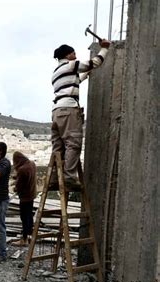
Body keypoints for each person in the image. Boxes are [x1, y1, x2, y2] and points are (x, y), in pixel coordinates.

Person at [51, 39, 111, 188]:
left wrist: (85, 75)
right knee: (74, 143)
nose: (76, 55)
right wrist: (104, 49)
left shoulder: (57, 72)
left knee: (58, 147)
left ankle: (54, 178)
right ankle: (69, 178)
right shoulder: (70, 65)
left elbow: (72, 83)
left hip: (57, 111)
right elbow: (94, 63)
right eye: (73, 53)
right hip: (69, 109)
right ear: (67, 55)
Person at [11, 151, 37, 247]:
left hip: (25, 197)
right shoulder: (32, 164)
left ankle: (24, 239)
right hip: (32, 194)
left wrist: (14, 188)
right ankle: (29, 235)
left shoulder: (22, 170)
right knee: (29, 216)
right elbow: (27, 177)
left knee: (24, 218)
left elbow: (19, 187)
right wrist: (17, 177)